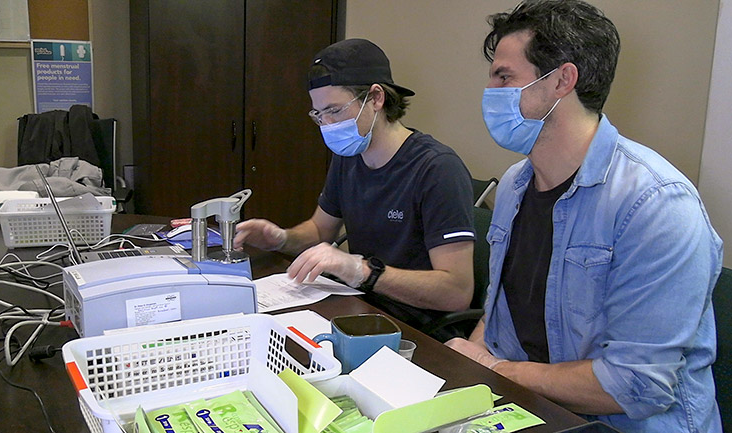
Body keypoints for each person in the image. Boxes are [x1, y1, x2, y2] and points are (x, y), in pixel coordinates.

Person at [444, 1, 723, 432]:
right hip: (531, 409)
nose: (490, 91)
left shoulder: (658, 205)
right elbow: (500, 319)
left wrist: (492, 368)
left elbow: (636, 385)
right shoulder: (518, 184)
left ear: (561, 80)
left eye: (504, 76)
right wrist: (471, 369)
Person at [234, 38, 476, 341]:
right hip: (360, 307)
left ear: (375, 98)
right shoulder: (349, 158)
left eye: (334, 110)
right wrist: (281, 238)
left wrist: (362, 271)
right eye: (318, 115)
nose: (326, 124)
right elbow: (321, 231)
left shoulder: (436, 169)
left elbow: (456, 293)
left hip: (416, 330)